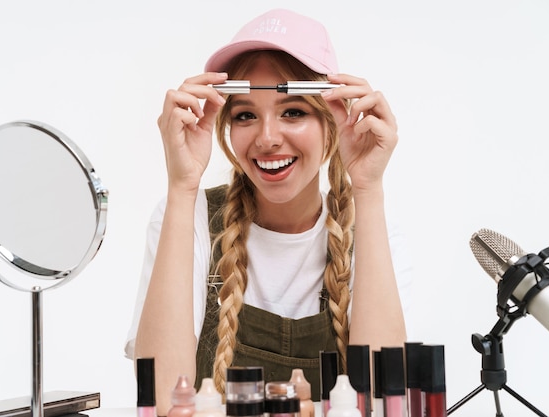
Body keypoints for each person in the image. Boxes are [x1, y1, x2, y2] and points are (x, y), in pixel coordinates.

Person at [125, 8, 412, 415]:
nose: (267, 138)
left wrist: (368, 188)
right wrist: (181, 186)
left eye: (293, 111)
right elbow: (162, 402)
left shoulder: (372, 232)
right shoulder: (188, 218)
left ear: (332, 122)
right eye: (245, 115)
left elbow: (387, 403)